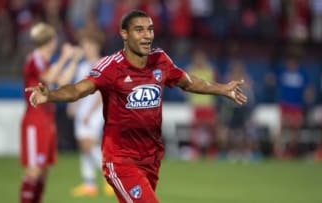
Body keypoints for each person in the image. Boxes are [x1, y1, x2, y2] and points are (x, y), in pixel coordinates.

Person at [26, 10, 247, 203]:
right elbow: (78, 90)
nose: (147, 35)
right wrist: (51, 95)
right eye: (139, 30)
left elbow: (188, 82)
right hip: (121, 159)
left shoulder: (160, 60)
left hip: (151, 157)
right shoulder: (110, 68)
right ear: (124, 34)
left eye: (150, 30)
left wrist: (223, 89)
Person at [20, 22, 73, 203]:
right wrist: (65, 58)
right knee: (34, 169)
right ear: (50, 41)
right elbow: (49, 78)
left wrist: (73, 60)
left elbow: (62, 81)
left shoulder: (46, 62)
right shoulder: (35, 59)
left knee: (43, 170)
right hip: (35, 119)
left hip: (46, 119)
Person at [57, 33, 114, 197]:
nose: (86, 49)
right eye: (84, 46)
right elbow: (78, 89)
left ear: (96, 46)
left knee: (88, 145)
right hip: (82, 110)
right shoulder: (82, 66)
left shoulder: (102, 64)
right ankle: (89, 184)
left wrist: (90, 112)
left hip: (95, 111)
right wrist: (73, 105)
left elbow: (102, 92)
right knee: (84, 148)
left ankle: (111, 177)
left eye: (88, 46)